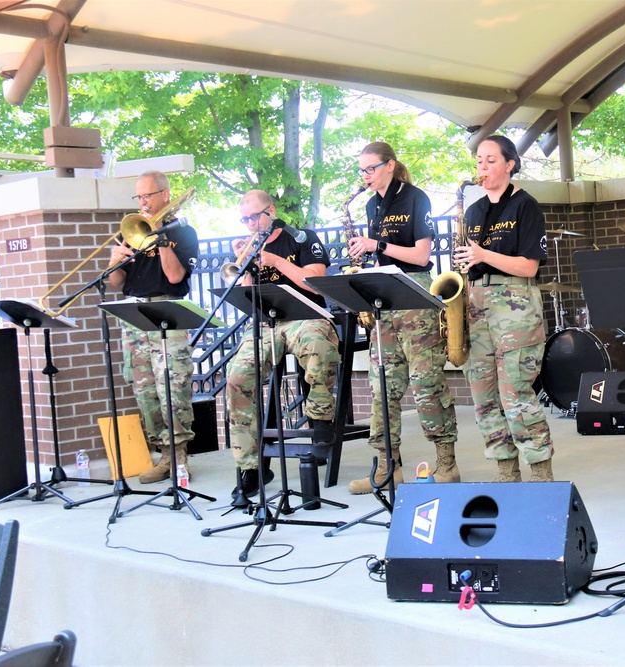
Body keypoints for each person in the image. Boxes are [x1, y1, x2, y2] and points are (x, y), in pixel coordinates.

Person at [346, 142, 459, 494]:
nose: (365, 176)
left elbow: (421, 253)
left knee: (426, 382)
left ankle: (446, 463)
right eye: (361, 170)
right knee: (382, 386)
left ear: (390, 165)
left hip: (414, 291)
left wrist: (374, 245)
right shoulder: (370, 204)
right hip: (384, 296)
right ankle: (386, 467)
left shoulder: (415, 197)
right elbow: (378, 254)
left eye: (370, 169)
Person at [225, 190, 340, 499]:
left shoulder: (301, 238)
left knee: (320, 347)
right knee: (237, 377)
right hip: (267, 322)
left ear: (271, 211)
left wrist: (275, 260)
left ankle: (320, 420)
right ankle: (250, 466)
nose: (250, 224)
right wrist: (247, 270)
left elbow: (314, 279)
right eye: (245, 219)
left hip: (306, 317)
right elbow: (249, 297)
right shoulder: (250, 247)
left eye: (255, 216)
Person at [453, 135, 554, 482]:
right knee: (483, 397)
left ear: (510, 164)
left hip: (516, 305)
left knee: (516, 395)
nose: (482, 167)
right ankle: (506, 474)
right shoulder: (472, 211)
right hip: (476, 304)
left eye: (490, 160)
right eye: (479, 160)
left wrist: (483, 255)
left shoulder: (526, 206)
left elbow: (529, 267)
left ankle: (541, 475)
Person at [108, 170, 199, 484]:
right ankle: (164, 456)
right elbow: (117, 282)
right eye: (139, 197)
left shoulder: (183, 232)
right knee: (144, 390)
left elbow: (175, 277)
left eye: (147, 195)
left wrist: (160, 237)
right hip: (134, 313)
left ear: (165, 194)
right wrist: (113, 261)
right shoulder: (130, 230)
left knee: (172, 386)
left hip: (168, 309)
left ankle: (180, 456)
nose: (143, 202)